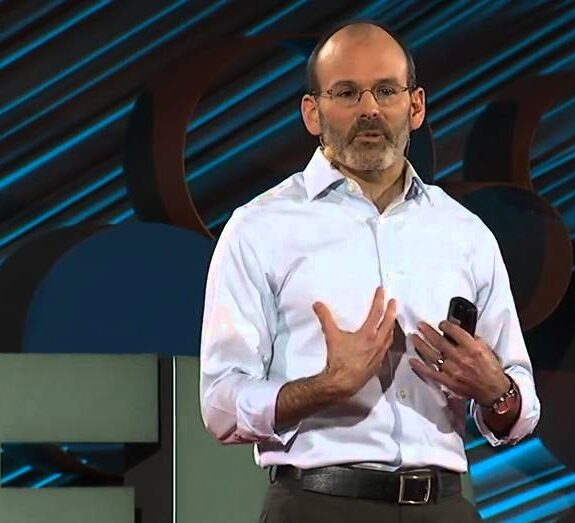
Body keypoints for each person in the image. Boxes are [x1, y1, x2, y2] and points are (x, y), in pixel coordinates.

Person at [199, 20, 540, 523]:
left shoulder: (464, 232)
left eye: (386, 90)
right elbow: (221, 406)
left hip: (443, 507)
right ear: (312, 113)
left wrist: (497, 392)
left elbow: (518, 402)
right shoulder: (260, 228)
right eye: (346, 93)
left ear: (416, 106)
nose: (370, 109)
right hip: (318, 507)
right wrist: (326, 386)